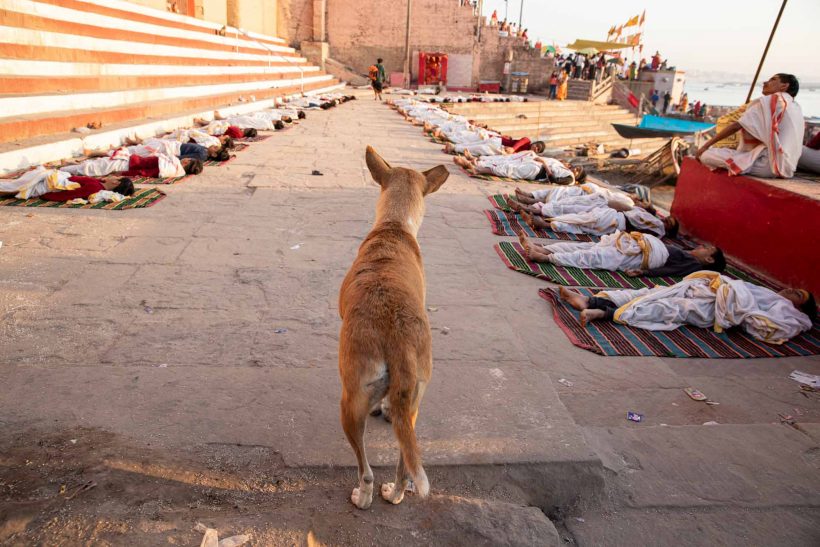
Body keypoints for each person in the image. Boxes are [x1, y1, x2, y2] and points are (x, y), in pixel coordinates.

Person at [557, 272, 815, 345]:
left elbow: (766, 327)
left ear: (799, 305)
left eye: (798, 294)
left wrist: (734, 299)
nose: (791, 290)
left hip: (716, 307)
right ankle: (589, 300)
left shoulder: (790, 313)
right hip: (708, 290)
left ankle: (602, 313)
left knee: (670, 308)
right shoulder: (767, 290)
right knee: (650, 293)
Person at [697, 74, 802, 178]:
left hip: (767, 165)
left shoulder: (772, 101)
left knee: (706, 155)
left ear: (784, 86)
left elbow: (736, 126)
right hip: (787, 168)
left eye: (772, 80)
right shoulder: (796, 107)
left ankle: (738, 166)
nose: (765, 83)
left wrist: (705, 146)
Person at [518, 231, 725, 278]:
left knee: (596, 257)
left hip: (641, 257)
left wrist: (642, 273)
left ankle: (545, 257)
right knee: (590, 247)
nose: (702, 246)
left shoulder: (694, 265)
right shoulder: (686, 253)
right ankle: (544, 249)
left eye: (707, 249)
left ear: (708, 259)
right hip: (638, 246)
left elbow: (670, 269)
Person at [454, 151, 584, 184]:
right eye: (576, 167)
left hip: (538, 171)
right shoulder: (565, 168)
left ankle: (477, 169)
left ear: (578, 177)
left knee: (509, 170)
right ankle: (477, 164)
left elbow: (554, 180)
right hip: (537, 165)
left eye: (578, 171)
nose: (575, 170)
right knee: (507, 164)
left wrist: (544, 164)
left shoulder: (570, 179)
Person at [40, 176, 135, 201]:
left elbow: (70, 195)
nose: (114, 176)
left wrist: (47, 196)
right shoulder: (98, 184)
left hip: (54, 182)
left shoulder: (94, 188)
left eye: (117, 178)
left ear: (116, 182)